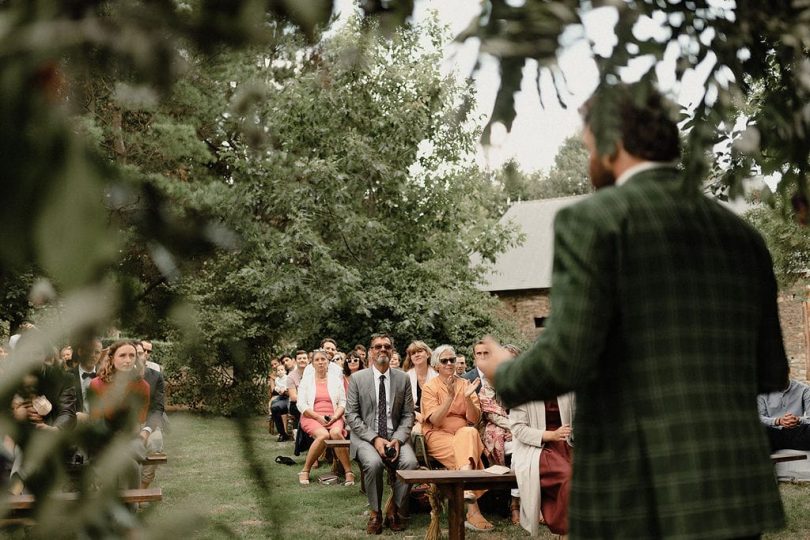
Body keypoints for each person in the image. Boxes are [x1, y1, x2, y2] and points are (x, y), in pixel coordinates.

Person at [477, 82, 790, 539]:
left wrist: (504, 370)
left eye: (588, 147)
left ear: (612, 142)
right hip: (733, 488)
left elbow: (566, 358)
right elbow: (772, 373)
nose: (588, 162)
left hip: (637, 491)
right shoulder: (744, 238)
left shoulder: (594, 220)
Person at [345, 333, 418, 534]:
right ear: (370, 352)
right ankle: (376, 513)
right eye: (378, 346)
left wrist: (397, 439)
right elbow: (351, 415)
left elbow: (408, 415)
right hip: (366, 437)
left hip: (395, 437)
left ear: (392, 351)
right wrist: (375, 438)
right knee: (374, 463)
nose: (382, 350)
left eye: (387, 346)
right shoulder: (358, 379)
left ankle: (394, 508)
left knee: (410, 463)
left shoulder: (403, 379)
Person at [421, 345, 492, 532]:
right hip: (438, 435)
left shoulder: (465, 384)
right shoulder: (429, 387)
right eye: (444, 360)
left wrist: (468, 398)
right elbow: (435, 420)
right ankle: (473, 511)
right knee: (465, 450)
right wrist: (450, 396)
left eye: (452, 359)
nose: (450, 363)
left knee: (470, 433)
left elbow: (474, 419)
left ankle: (465, 484)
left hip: (462, 434)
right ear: (436, 365)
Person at [87, 341, 151, 489]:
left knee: (130, 466)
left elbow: (138, 422)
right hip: (102, 440)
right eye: (122, 355)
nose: (128, 360)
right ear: (111, 358)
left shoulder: (143, 387)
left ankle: (130, 506)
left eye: (132, 356)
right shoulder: (96, 384)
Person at [510, 394, 575, 536]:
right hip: (537, 447)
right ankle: (567, 532)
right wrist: (551, 435)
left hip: (567, 444)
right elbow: (518, 428)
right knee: (568, 478)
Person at [296, 349, 354, 486]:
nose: (320, 362)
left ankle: (348, 472)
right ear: (312, 364)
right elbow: (301, 404)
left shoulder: (336, 380)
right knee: (323, 435)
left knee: (335, 433)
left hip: (333, 416)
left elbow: (342, 402)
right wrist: (317, 417)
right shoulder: (307, 380)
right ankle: (305, 470)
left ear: (328, 362)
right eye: (317, 360)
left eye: (323, 359)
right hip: (311, 416)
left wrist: (335, 417)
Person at [136, 346, 166, 489]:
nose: (137, 357)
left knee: (155, 441)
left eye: (140, 353)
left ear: (145, 356)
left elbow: (158, 408)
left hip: (148, 422)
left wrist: (147, 429)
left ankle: (142, 490)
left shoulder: (155, 376)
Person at [758, 378, 810, 451]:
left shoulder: (804, 389)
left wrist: (798, 420)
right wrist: (778, 421)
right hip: (773, 432)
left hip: (798, 433)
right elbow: (759, 417)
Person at [401, 340, 437, 435]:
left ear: (428, 354)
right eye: (413, 353)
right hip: (413, 416)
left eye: (420, 351)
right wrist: (416, 415)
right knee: (415, 432)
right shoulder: (405, 377)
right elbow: (402, 405)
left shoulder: (437, 375)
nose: (416, 355)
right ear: (411, 358)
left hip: (434, 415)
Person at [287, 350, 309, 428]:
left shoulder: (313, 373)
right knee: (300, 408)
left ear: (308, 360)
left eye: (304, 358)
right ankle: (297, 431)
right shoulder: (291, 376)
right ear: (296, 361)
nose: (302, 360)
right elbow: (293, 397)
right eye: (299, 358)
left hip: (311, 401)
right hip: (296, 403)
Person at [270, 364, 291, 441]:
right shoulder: (277, 379)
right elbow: (276, 387)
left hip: (289, 397)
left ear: (285, 371)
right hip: (281, 397)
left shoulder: (288, 378)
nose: (280, 371)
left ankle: (283, 434)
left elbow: (289, 386)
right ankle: (282, 433)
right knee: (273, 406)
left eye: (282, 370)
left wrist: (284, 390)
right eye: (278, 370)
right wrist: (278, 389)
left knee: (276, 407)